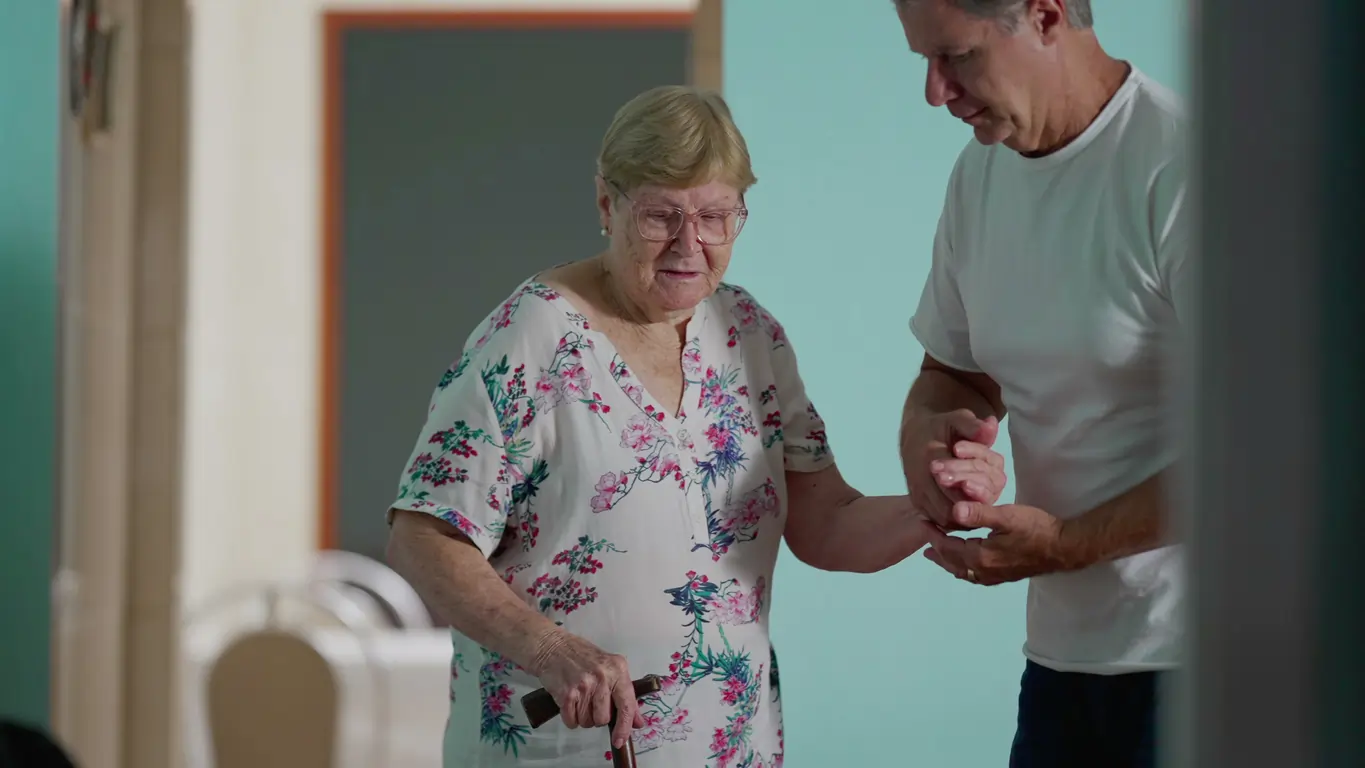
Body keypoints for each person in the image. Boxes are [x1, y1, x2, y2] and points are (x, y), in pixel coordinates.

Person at [383, 85, 944, 768]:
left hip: (730, 746)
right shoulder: (529, 339)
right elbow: (424, 534)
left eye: (716, 217)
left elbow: (826, 520)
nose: (690, 243)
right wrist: (553, 650)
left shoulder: (751, 335)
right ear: (605, 204)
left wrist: (931, 509)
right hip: (561, 745)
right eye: (660, 216)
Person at [891, 1, 1190, 766]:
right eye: (923, 61)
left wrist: (1063, 543)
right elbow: (953, 372)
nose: (935, 91)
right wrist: (933, 444)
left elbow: (1267, 449)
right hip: (1061, 665)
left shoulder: (1188, 165)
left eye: (954, 56)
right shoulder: (980, 172)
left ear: (1046, 14)